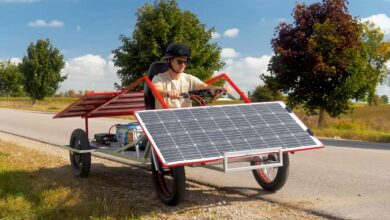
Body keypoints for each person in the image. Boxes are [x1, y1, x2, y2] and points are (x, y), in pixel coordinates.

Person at [152, 43, 231, 109]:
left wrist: (219, 89)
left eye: (185, 62)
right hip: (166, 120)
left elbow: (205, 86)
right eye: (179, 61)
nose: (183, 65)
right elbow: (156, 91)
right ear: (170, 61)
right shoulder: (159, 78)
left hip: (187, 119)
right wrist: (168, 93)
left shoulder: (190, 79)